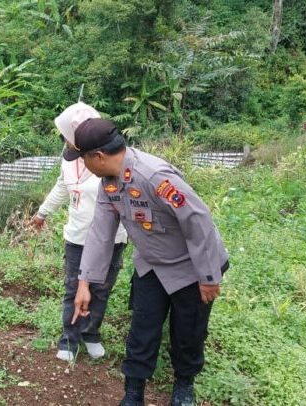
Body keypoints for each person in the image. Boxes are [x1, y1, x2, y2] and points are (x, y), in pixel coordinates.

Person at [68, 119, 229, 406]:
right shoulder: (109, 184)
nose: (82, 166)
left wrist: (208, 276)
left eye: (82, 159)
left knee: (188, 331)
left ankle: (184, 385)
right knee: (142, 328)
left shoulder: (154, 176)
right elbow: (100, 234)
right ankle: (133, 392)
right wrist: (84, 283)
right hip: (152, 264)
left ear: (98, 157)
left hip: (191, 266)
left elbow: (198, 220)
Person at [31, 102, 127, 362]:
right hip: (77, 236)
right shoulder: (69, 159)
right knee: (74, 288)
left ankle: (91, 333)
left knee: (101, 288)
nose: (65, 140)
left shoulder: (108, 158)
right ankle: (69, 339)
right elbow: (62, 188)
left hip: (111, 239)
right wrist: (42, 214)